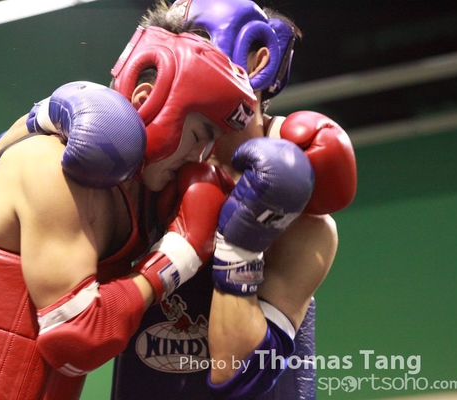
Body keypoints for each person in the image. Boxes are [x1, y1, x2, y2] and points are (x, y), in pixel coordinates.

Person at [0, 25, 260, 399]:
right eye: (198, 136)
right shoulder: (49, 167)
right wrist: (177, 257)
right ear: (147, 99)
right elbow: (78, 338)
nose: (198, 158)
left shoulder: (148, 193)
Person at [112, 1, 357, 399]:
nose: (192, 59)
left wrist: (239, 243)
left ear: (259, 62)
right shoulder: (148, 167)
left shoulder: (299, 212)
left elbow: (237, 372)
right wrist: (51, 116)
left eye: (204, 43)